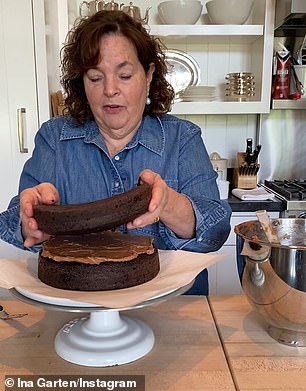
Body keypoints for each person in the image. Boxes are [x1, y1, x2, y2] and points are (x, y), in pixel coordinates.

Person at [0, 10, 231, 295]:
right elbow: (12, 222)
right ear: (81, 83)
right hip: (77, 307)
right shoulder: (54, 139)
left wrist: (168, 203)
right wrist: (29, 221)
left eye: (124, 75)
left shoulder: (182, 138)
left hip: (173, 311)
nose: (110, 89)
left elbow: (217, 231)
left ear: (148, 75)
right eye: (95, 77)